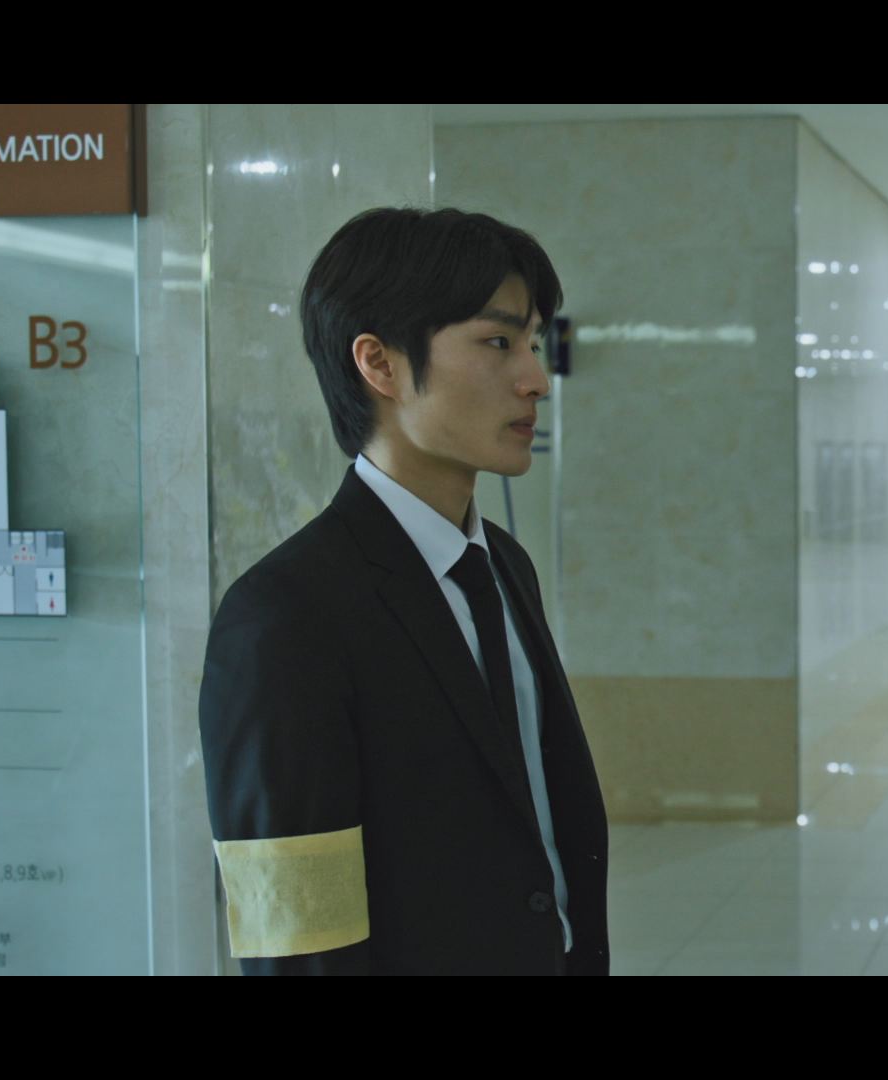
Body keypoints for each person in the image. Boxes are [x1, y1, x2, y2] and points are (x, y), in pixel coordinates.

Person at [199, 207, 608, 974]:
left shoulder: (504, 564)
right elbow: (296, 935)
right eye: (498, 343)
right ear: (379, 364)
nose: (535, 379)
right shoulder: (285, 614)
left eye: (532, 343)